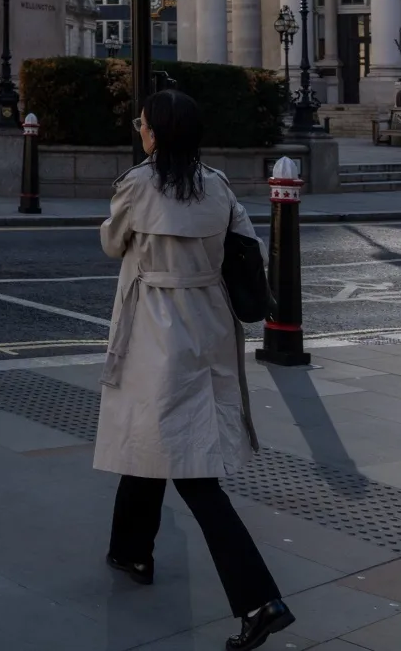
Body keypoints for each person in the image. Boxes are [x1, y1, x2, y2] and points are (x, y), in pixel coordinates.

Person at [97, 89, 293, 650]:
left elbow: (113, 244)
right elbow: (245, 248)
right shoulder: (219, 184)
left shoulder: (139, 183)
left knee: (190, 467)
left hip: (157, 325)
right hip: (209, 322)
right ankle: (131, 549)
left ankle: (259, 600)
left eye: (144, 125)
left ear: (156, 133)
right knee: (154, 433)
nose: (141, 131)